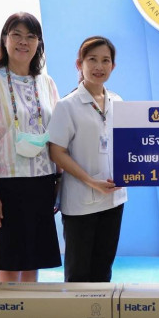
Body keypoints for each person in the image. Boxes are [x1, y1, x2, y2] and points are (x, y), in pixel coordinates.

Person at [0, 12, 62, 282]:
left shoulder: (46, 83)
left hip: (42, 181)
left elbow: (58, 133)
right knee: (10, 259)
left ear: (38, 43)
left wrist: (59, 179)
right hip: (8, 185)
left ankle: (30, 309)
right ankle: (8, 308)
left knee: (34, 258)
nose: (24, 42)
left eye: (31, 36)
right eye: (17, 35)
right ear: (5, 39)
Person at [49, 36, 127, 282]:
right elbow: (56, 152)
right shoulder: (67, 105)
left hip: (113, 199)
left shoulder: (118, 102)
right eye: (92, 59)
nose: (99, 66)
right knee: (79, 273)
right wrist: (91, 182)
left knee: (103, 270)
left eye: (105, 60)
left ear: (113, 66)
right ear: (79, 64)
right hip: (80, 201)